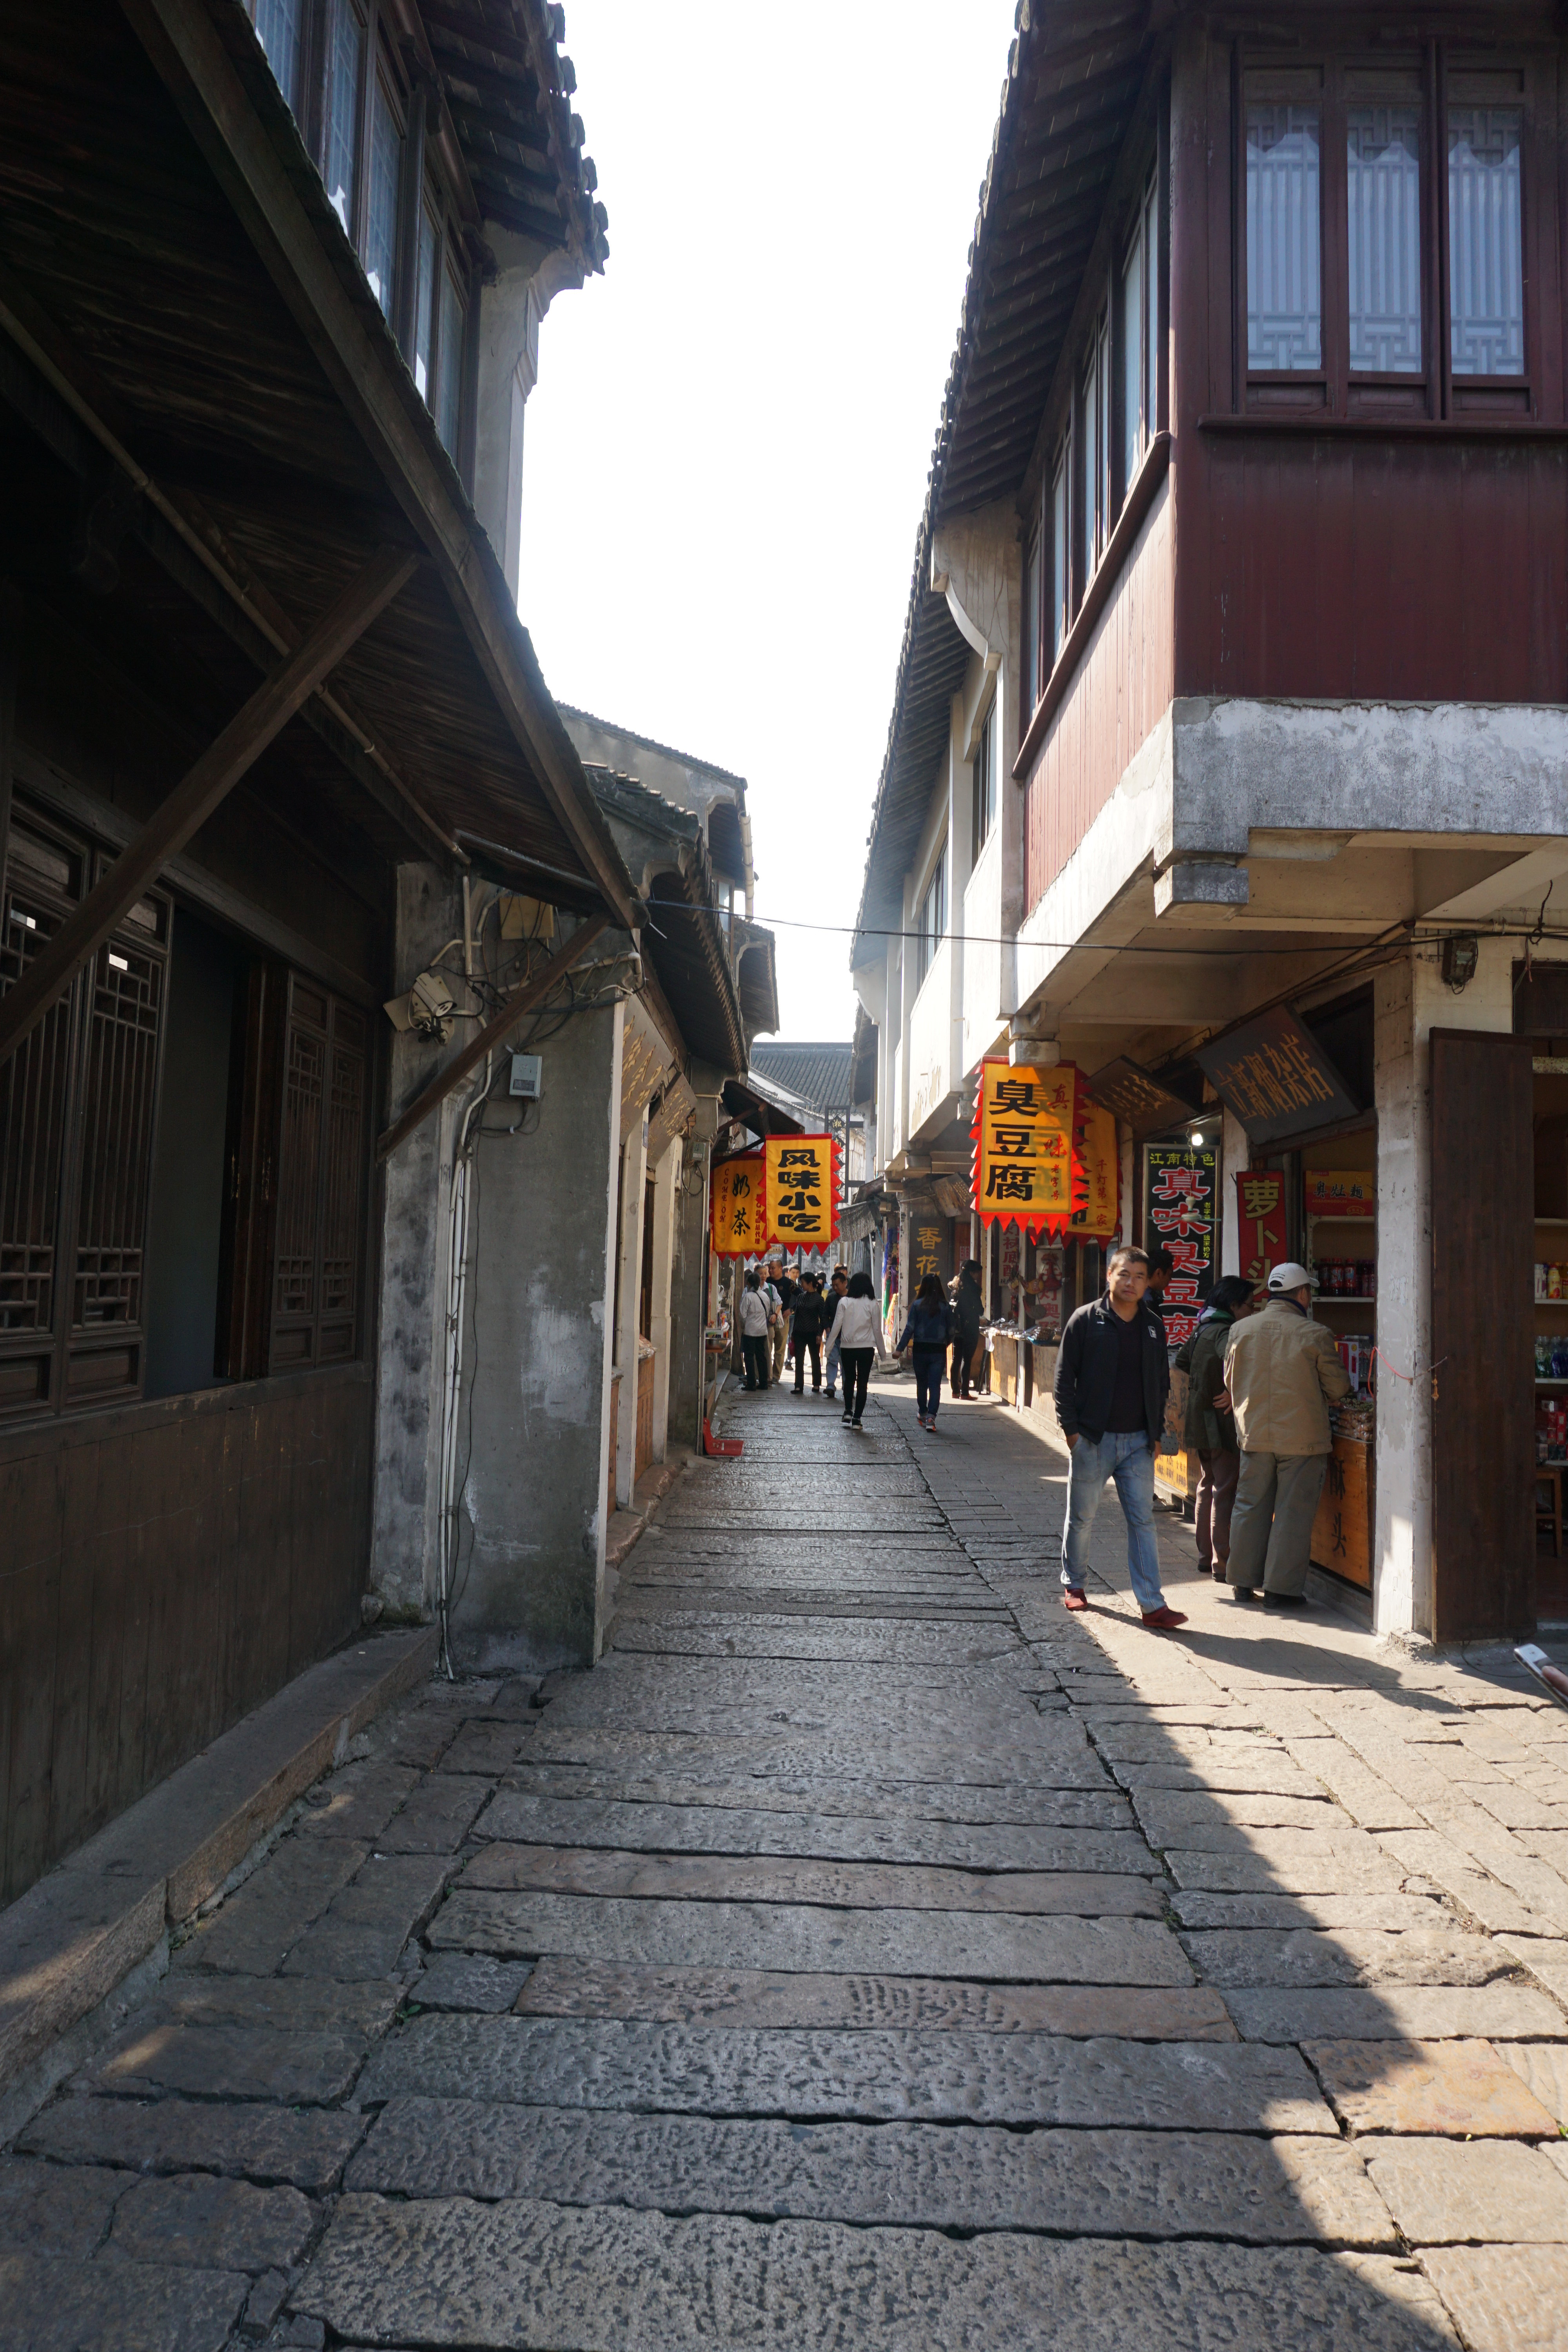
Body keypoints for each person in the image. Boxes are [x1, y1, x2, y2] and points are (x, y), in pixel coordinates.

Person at [1054, 1243, 1187, 1630]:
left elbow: (1160, 1381)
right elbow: (1064, 1378)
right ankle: (1075, 1585)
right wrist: (1073, 1432)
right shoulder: (1084, 1320)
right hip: (1093, 1439)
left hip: (1138, 1443)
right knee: (1082, 1517)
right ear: (1109, 1276)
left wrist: (1157, 1429)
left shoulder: (1152, 1325)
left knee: (1143, 1522)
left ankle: (1152, 1605)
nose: (1131, 1282)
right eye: (1124, 1274)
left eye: (1139, 1276)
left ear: (1148, 1283)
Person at [1219, 1260, 1351, 1606]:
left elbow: (1229, 1381)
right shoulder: (1315, 1334)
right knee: (1292, 1513)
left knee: (1249, 1507)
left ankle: (1243, 1583)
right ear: (1303, 1293)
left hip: (1254, 1434)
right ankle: (1280, 1591)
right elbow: (1338, 1388)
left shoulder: (1242, 1330)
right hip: (1303, 1439)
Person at [1173, 1275, 1254, 1580]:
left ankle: (1205, 1557)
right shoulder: (1225, 1331)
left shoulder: (1202, 1328)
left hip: (1199, 1419)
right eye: (1250, 1305)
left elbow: (1181, 1362)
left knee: (1207, 1486)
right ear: (1234, 1305)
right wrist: (1232, 1391)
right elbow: (1236, 1361)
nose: (1252, 1311)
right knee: (1224, 1490)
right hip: (1218, 1423)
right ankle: (1223, 1564)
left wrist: (1203, 1387)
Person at [897, 1274, 954, 1433]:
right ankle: (931, 1418)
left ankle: (923, 1412)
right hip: (938, 1351)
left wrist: (900, 1349)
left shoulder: (916, 1306)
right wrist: (945, 1343)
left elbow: (909, 1329)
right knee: (935, 1386)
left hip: (920, 1350)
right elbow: (951, 1331)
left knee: (922, 1384)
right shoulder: (945, 1307)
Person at [826, 1269, 881, 1429]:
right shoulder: (873, 1303)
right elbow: (877, 1330)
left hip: (848, 1347)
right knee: (863, 1383)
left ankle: (848, 1411)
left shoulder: (845, 1302)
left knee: (849, 1380)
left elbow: (836, 1327)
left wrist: (828, 1349)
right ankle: (857, 1419)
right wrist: (883, 1354)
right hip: (866, 1349)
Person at [790, 1271, 828, 1396]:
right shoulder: (801, 1297)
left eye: (803, 1283)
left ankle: (816, 1384)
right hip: (800, 1333)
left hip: (813, 1332)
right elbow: (797, 1316)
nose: (801, 1285)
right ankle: (798, 1386)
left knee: (815, 1359)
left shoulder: (819, 1300)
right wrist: (794, 1332)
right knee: (799, 1360)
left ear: (810, 1284)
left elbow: (823, 1319)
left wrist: (819, 1334)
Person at [951, 1258, 983, 1399]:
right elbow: (980, 1310)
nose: (979, 1276)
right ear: (972, 1273)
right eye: (977, 1273)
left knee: (956, 1359)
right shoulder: (974, 1289)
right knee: (967, 1359)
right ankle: (965, 1393)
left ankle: (955, 1391)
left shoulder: (956, 1286)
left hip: (957, 1328)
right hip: (970, 1327)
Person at [737, 1269, 773, 1391]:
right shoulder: (765, 1296)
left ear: (749, 1284)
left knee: (749, 1357)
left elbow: (742, 1315)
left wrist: (744, 1326)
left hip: (750, 1332)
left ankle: (751, 1383)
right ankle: (763, 1383)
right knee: (761, 1357)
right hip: (762, 1331)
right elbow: (767, 1312)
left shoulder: (748, 1297)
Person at [823, 1265, 849, 1400]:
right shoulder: (831, 1298)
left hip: (848, 1338)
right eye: (833, 1285)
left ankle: (847, 1387)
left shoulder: (852, 1299)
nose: (834, 1288)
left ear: (845, 1283)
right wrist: (828, 1329)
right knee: (832, 1360)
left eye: (837, 1285)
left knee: (847, 1364)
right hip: (834, 1336)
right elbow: (825, 1314)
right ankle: (830, 1386)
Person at [764, 1259, 789, 1383]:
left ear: (781, 1269)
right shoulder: (766, 1283)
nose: (771, 1271)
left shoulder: (789, 1283)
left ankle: (776, 1375)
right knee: (767, 1347)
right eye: (770, 1268)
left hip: (783, 1319)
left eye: (774, 1268)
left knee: (780, 1349)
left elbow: (801, 1296)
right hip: (768, 1319)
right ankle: (767, 1373)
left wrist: (791, 1310)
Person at [1145, 1247, 1176, 1325]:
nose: (1170, 1279)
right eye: (1169, 1275)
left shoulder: (1142, 1295)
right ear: (1159, 1273)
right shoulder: (1148, 1302)